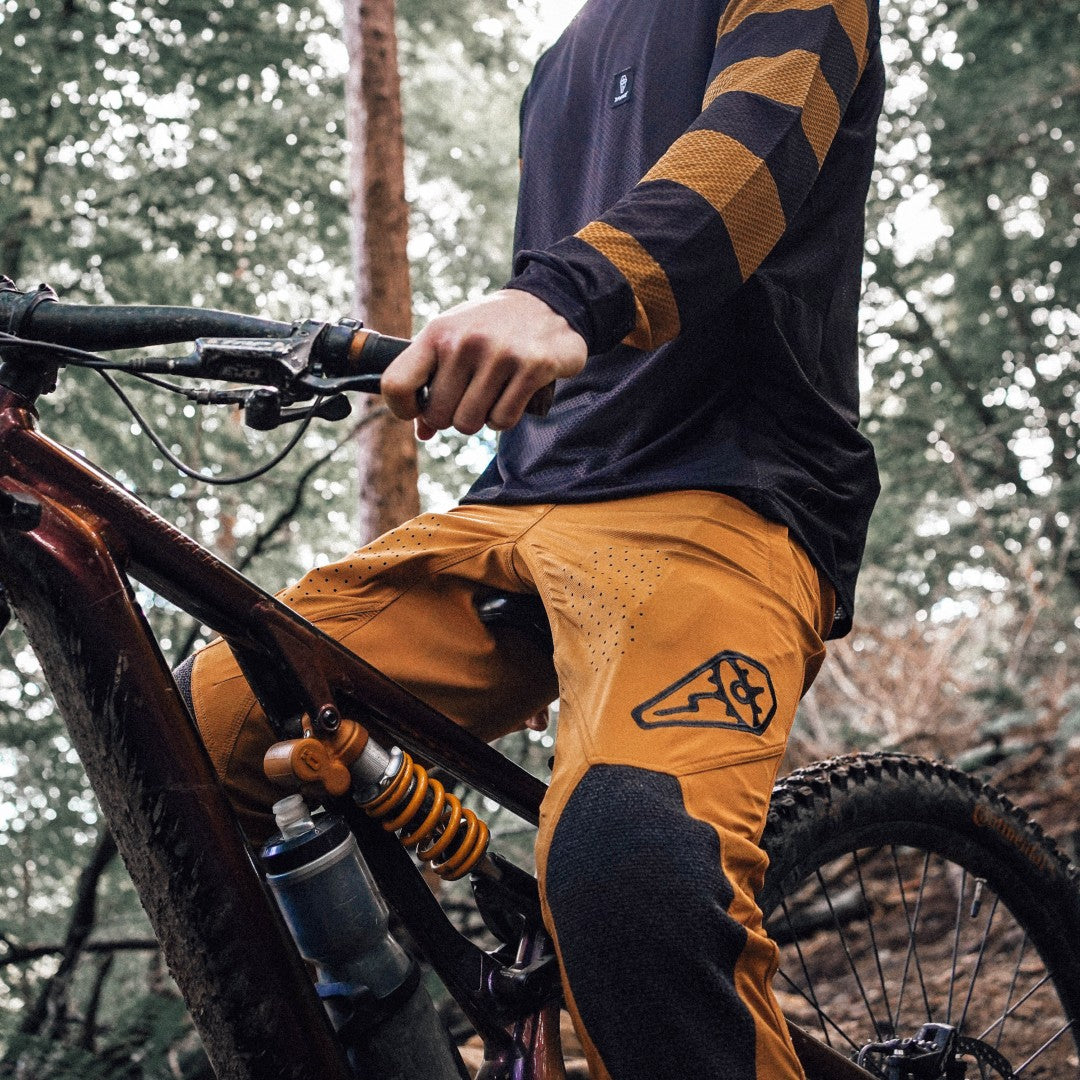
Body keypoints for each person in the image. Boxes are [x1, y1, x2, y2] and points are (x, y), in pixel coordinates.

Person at [189, 0, 884, 1075]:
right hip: (524, 500)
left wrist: (563, 294)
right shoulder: (559, 63)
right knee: (211, 721)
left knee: (628, 867)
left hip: (726, 492)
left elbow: (751, 159)